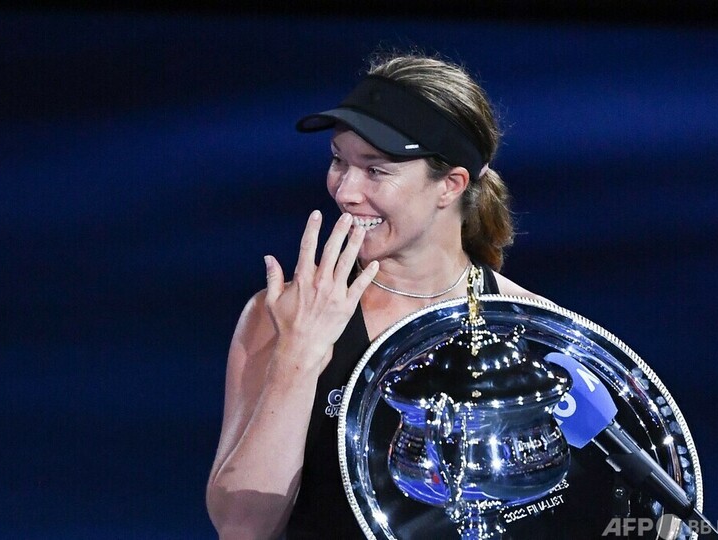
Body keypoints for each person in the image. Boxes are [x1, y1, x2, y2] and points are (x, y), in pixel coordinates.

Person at [205, 51, 545, 539]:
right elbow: (242, 526)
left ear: (450, 185)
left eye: (376, 170)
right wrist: (297, 356)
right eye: (338, 161)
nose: (345, 191)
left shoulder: (531, 326)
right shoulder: (282, 314)